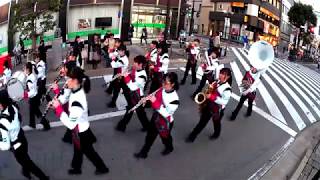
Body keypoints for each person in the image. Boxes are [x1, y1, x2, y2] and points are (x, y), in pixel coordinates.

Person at [51, 67, 109, 175]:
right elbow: (65, 97)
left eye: (69, 79)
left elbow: (70, 124)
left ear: (76, 81)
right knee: (78, 150)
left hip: (81, 132)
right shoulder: (76, 89)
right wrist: (57, 95)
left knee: (88, 152)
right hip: (80, 129)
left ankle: (102, 168)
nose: (67, 81)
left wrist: (58, 109)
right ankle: (77, 168)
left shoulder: (77, 102)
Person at [0, 90, 49, 180]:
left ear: (1, 104)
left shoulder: (2, 122)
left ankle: (44, 178)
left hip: (16, 146)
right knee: (25, 160)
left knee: (28, 163)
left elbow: (6, 146)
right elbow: (20, 119)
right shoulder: (13, 108)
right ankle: (26, 172)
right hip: (22, 138)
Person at [134, 72, 179, 159]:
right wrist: (146, 100)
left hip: (165, 122)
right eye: (163, 81)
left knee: (165, 138)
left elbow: (166, 113)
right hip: (156, 118)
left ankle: (169, 148)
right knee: (150, 136)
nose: (163, 84)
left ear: (173, 84)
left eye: (166, 83)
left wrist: (154, 101)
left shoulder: (175, 99)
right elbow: (153, 99)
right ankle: (144, 153)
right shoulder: (161, 89)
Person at [185, 68, 232, 142]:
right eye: (221, 73)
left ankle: (216, 134)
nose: (220, 75)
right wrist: (208, 90)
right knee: (202, 122)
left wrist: (211, 97)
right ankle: (192, 136)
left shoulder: (227, 89)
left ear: (228, 77)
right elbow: (210, 89)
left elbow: (224, 102)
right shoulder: (217, 81)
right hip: (209, 105)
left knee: (216, 123)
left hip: (217, 110)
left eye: (223, 74)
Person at [115, 55, 149, 132]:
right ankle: (122, 126)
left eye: (135, 62)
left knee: (138, 113)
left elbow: (133, 87)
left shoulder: (142, 76)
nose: (133, 64)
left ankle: (121, 126)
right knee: (138, 113)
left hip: (138, 96)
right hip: (133, 95)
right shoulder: (136, 70)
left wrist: (126, 76)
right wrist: (122, 76)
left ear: (140, 64)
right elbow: (131, 77)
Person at [51, 61, 77, 144]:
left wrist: (56, 91)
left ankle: (70, 137)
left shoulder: (71, 82)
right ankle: (69, 137)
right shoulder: (72, 78)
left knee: (72, 123)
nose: (63, 69)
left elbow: (65, 97)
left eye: (64, 68)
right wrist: (63, 75)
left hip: (72, 105)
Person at [23, 62, 50, 130]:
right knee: (32, 111)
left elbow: (33, 91)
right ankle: (32, 124)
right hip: (34, 97)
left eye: (25, 68)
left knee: (37, 113)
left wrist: (26, 94)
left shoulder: (30, 78)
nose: (24, 70)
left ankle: (46, 124)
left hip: (34, 98)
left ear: (28, 69)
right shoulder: (31, 76)